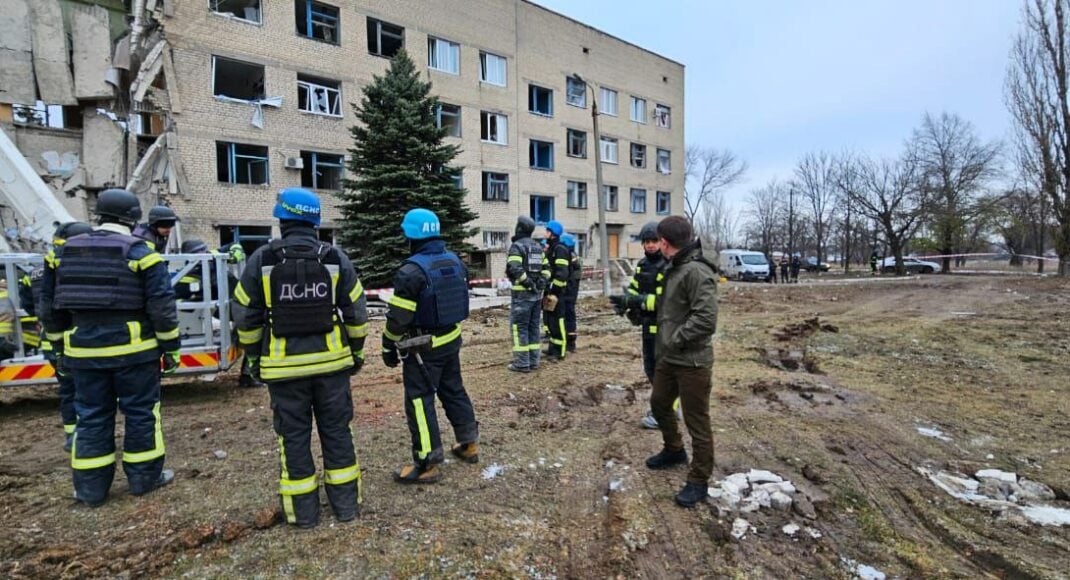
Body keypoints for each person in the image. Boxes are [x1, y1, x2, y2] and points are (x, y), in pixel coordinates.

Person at [234, 188, 368, 528]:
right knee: (337, 432)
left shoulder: (261, 260)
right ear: (316, 221)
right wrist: (356, 352)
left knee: (292, 438)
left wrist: (254, 359)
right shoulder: (335, 258)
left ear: (282, 219)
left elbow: (244, 318)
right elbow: (356, 313)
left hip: (283, 371)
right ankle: (346, 507)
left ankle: (303, 515)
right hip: (333, 368)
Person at [46, 189, 180, 507]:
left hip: (82, 351)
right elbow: (161, 305)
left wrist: (57, 346)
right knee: (141, 414)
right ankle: (144, 479)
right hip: (135, 351)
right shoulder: (141, 253)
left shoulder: (64, 253)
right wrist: (170, 347)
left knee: (90, 416)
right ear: (134, 218)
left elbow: (49, 306)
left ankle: (90, 490)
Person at [382, 208, 479, 484]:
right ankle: (468, 443)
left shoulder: (411, 271)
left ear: (411, 235)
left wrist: (388, 345)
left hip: (423, 349)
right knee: (454, 390)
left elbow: (398, 319)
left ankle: (427, 463)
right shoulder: (456, 262)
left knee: (420, 401)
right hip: (451, 340)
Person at [642, 216, 719, 508]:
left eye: (657, 240)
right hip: (670, 358)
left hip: (693, 362)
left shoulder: (697, 271)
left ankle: (699, 480)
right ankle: (674, 450)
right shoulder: (675, 267)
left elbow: (706, 320)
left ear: (664, 242)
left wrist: (674, 338)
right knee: (660, 404)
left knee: (697, 420)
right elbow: (669, 308)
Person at [34, 221, 94, 451]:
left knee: (68, 390)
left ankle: (73, 436)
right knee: (86, 393)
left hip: (53, 341)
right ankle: (85, 438)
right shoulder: (77, 267)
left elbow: (38, 306)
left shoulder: (43, 268)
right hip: (77, 341)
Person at [504, 216, 547, 373]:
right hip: (537, 296)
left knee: (519, 328)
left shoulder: (517, 246)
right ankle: (534, 361)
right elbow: (547, 269)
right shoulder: (537, 247)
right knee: (533, 327)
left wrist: (527, 283)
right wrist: (540, 282)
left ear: (519, 228)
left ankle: (522, 363)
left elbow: (514, 268)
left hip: (522, 296)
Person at [542, 220, 571, 361]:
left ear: (553, 233)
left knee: (558, 321)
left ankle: (560, 352)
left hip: (558, 292)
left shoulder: (560, 249)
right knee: (551, 321)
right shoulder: (552, 248)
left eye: (547, 231)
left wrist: (555, 289)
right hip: (551, 291)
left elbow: (562, 273)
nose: (545, 233)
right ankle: (552, 349)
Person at [560, 233, 581, 353]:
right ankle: (569, 341)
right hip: (570, 292)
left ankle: (570, 342)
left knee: (568, 316)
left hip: (569, 292)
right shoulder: (573, 255)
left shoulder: (571, 256)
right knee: (569, 315)